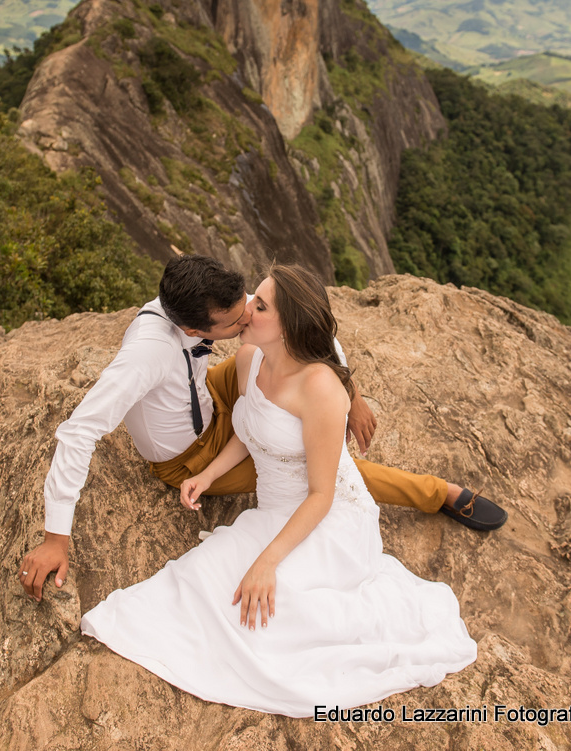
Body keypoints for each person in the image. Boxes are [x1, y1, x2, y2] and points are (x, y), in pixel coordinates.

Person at [79, 264, 478, 716]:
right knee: (194, 583)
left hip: (326, 520)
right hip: (272, 510)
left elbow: (321, 496)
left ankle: (431, 499)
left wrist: (267, 561)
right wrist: (206, 476)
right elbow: (249, 430)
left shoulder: (321, 390)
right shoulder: (251, 359)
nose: (247, 310)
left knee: (276, 618)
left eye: (261, 305)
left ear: (287, 328)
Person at [19, 255, 506, 603]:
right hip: (191, 453)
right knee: (319, 466)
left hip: (213, 394)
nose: (247, 318)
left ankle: (415, 480)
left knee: (292, 389)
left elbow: (304, 321)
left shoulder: (210, 302)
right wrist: (55, 537)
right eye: (236, 322)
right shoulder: (147, 353)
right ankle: (435, 492)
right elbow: (78, 431)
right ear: (194, 331)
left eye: (250, 308)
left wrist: (348, 392)